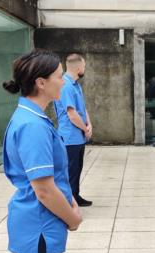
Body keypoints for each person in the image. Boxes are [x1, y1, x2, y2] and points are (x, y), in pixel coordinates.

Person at [2, 49, 83, 253]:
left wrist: (71, 200)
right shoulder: (33, 126)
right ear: (41, 83)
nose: (63, 82)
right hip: (40, 226)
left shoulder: (31, 118)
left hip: (39, 224)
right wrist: (73, 219)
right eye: (59, 76)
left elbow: (53, 177)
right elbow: (44, 190)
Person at [54, 54, 93, 207]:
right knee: (70, 171)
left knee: (77, 169)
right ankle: (68, 203)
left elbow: (82, 108)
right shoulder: (66, 86)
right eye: (83, 66)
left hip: (79, 136)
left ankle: (75, 196)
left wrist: (89, 124)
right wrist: (85, 129)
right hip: (70, 137)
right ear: (78, 68)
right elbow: (72, 114)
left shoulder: (76, 85)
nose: (84, 69)